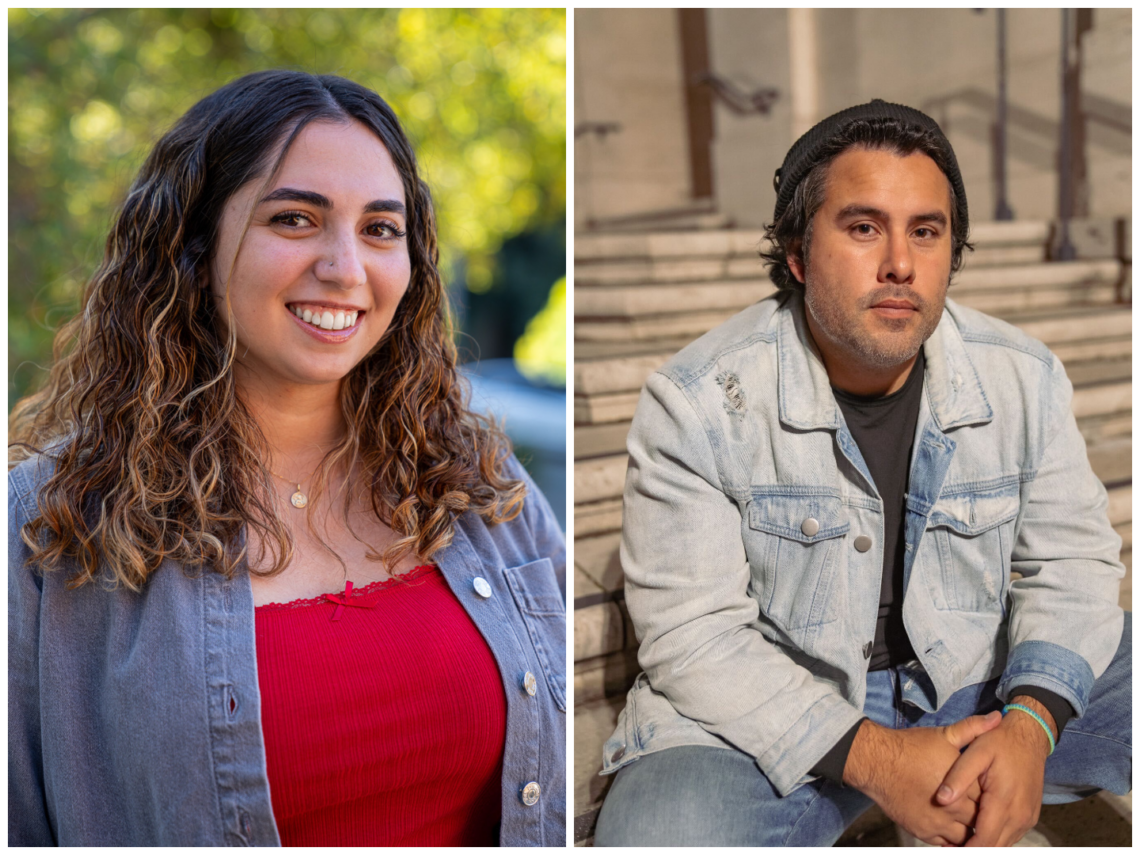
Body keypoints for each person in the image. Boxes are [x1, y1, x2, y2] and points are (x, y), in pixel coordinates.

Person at [9, 70, 566, 847]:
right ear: (193, 249)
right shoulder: (48, 530)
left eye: (379, 228)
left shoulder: (476, 481)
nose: (346, 267)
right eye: (296, 219)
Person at [593, 100, 1129, 847]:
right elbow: (694, 635)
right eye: (864, 227)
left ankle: (980, 784)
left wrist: (1031, 725)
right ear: (798, 253)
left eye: (926, 231)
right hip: (783, 705)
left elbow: (1071, 564)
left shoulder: (1024, 379)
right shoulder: (698, 403)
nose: (900, 265)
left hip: (976, 674)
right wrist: (880, 758)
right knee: (663, 834)